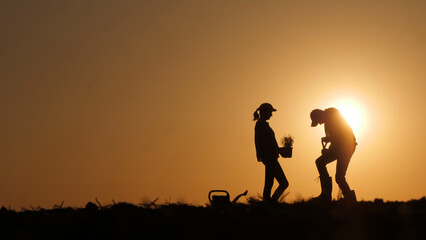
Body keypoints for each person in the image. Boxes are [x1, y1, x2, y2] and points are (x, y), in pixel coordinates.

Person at [310, 108, 357, 203]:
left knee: (339, 177)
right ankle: (326, 194)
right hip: (340, 147)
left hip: (346, 147)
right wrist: (328, 140)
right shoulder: (328, 121)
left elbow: (339, 138)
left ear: (319, 115)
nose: (319, 123)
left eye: (318, 121)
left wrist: (329, 149)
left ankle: (349, 199)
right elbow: (335, 139)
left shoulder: (332, 116)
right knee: (320, 162)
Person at [254, 103, 289, 204]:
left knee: (269, 182)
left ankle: (269, 202)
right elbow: (265, 144)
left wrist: (278, 150)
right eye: (270, 112)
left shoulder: (261, 124)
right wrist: (279, 150)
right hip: (269, 157)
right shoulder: (261, 125)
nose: (271, 115)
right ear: (265, 112)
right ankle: (272, 202)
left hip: (269, 156)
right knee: (283, 183)